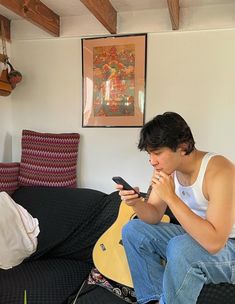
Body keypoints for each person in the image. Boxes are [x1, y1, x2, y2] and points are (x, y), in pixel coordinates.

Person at [115, 112, 235, 304]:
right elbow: (153, 215)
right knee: (133, 230)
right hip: (196, 239)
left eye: (157, 153)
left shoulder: (220, 171)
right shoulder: (167, 170)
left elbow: (215, 243)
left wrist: (171, 197)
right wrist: (136, 202)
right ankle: (153, 300)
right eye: (149, 154)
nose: (152, 161)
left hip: (229, 247)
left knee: (180, 247)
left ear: (183, 147)